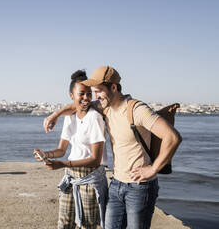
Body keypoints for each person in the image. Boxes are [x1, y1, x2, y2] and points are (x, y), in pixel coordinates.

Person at [43, 66, 182, 229]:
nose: (94, 97)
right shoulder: (104, 106)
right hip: (116, 184)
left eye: (98, 91)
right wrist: (55, 115)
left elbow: (172, 137)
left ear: (114, 88)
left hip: (140, 187)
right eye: (93, 92)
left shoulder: (137, 110)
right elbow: (78, 105)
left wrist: (153, 169)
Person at [34, 70, 108, 229]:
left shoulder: (94, 118)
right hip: (71, 178)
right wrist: (45, 155)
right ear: (71, 95)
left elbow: (95, 159)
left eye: (89, 94)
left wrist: (62, 164)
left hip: (90, 179)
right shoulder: (70, 116)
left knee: (89, 226)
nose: (86, 98)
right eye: (81, 94)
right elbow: (61, 149)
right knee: (64, 224)